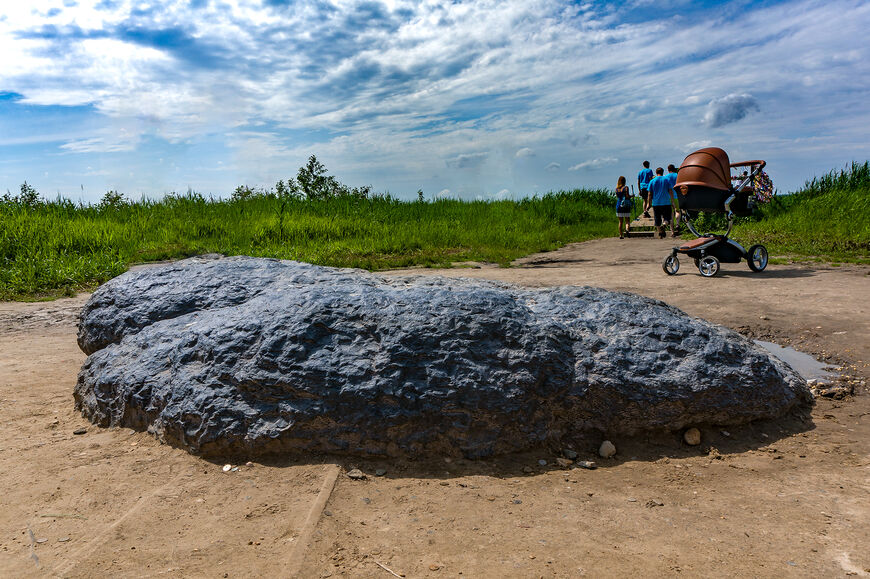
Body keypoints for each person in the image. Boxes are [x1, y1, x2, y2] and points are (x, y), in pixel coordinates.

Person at [648, 167, 673, 238]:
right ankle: (664, 225)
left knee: (657, 219)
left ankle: (660, 233)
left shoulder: (652, 181)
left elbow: (649, 194)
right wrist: (672, 201)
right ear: (663, 172)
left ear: (656, 173)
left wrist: (649, 203)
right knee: (667, 218)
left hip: (656, 203)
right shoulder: (667, 179)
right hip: (666, 202)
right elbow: (670, 191)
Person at [664, 164, 680, 235]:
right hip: (677, 196)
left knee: (671, 214)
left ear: (668, 169)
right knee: (678, 211)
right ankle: (677, 224)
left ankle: (672, 231)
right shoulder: (677, 175)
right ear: (674, 169)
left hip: (668, 198)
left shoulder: (665, 177)